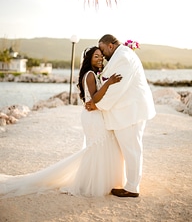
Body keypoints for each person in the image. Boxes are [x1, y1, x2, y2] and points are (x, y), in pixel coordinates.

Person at [0, 46, 125, 198]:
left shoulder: (93, 74)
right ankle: (91, 184)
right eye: (96, 56)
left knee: (98, 147)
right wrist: (109, 82)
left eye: (101, 56)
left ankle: (96, 181)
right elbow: (94, 98)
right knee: (98, 147)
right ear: (89, 59)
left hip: (92, 114)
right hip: (93, 116)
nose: (100, 59)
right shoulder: (91, 75)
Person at [86, 35, 156, 198]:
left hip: (130, 112)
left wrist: (98, 105)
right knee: (129, 149)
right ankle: (129, 182)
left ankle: (132, 187)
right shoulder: (122, 55)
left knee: (132, 149)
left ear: (110, 45)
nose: (102, 55)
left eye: (102, 50)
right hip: (127, 112)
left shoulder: (123, 57)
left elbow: (118, 88)